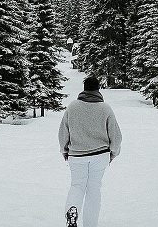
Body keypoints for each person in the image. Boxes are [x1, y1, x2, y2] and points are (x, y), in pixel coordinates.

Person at [58, 76, 122, 227]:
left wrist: (64, 150)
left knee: (77, 185)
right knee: (94, 189)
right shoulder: (105, 108)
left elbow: (63, 132)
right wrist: (113, 153)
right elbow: (116, 136)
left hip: (76, 155)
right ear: (98, 89)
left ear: (84, 89)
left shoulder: (72, 107)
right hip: (100, 155)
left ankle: (72, 208)